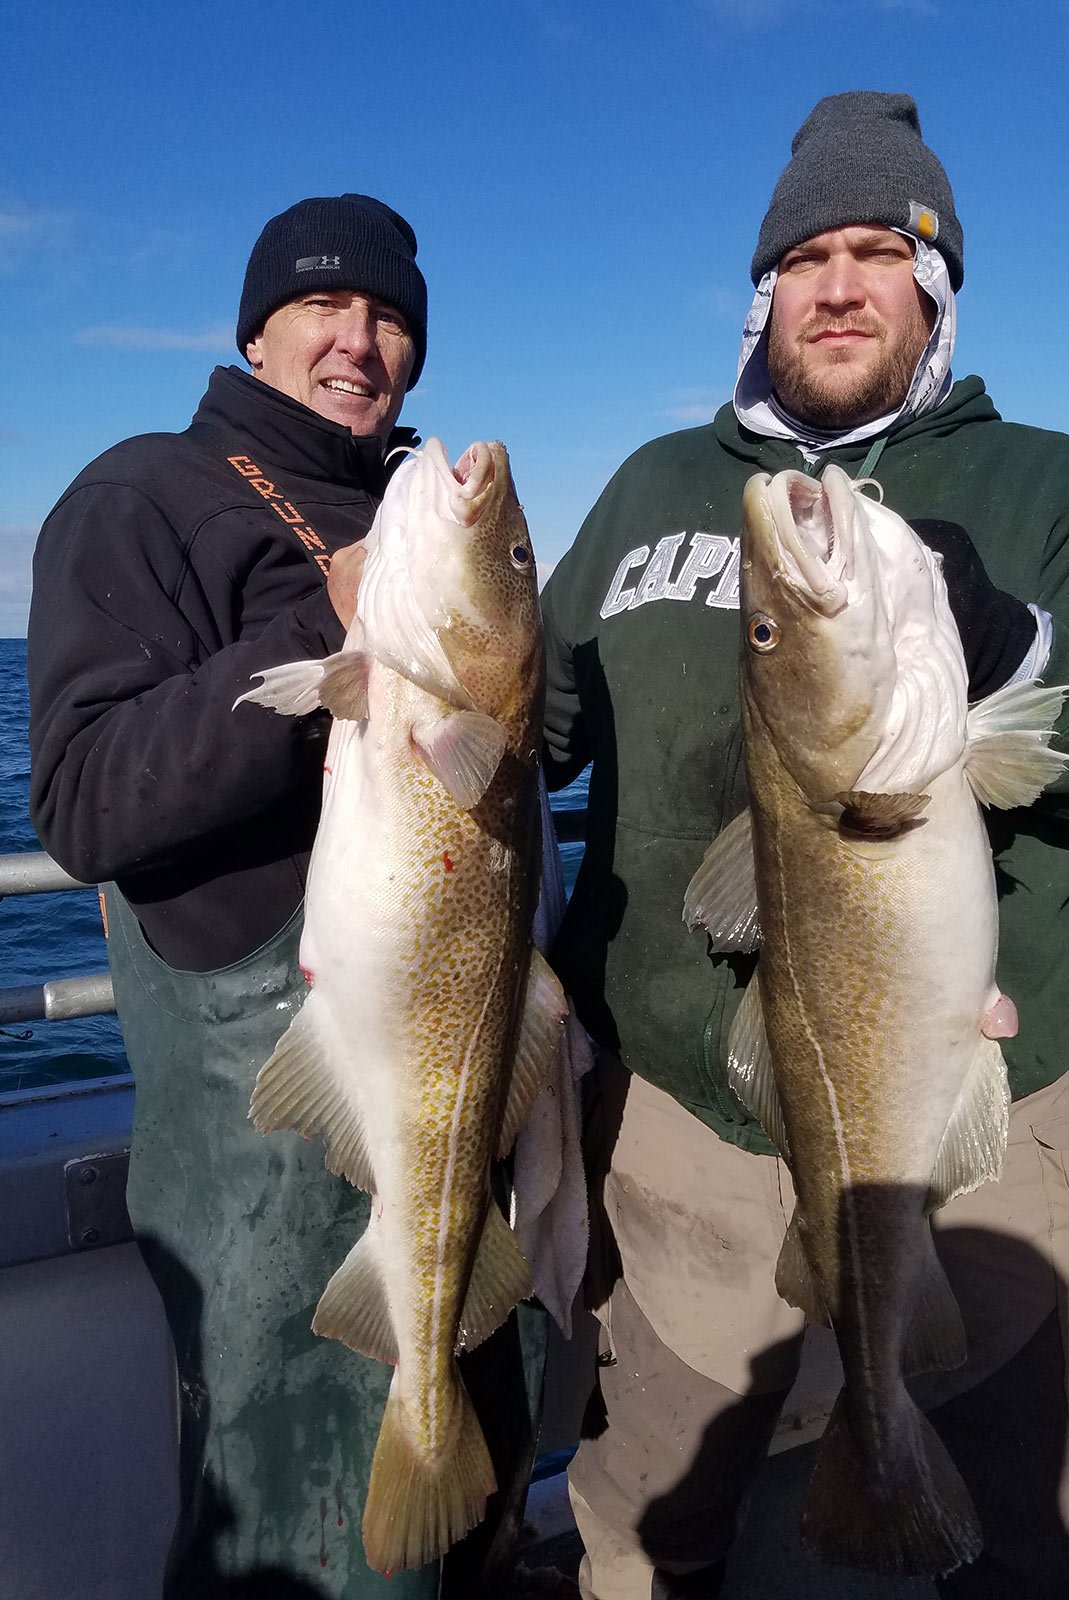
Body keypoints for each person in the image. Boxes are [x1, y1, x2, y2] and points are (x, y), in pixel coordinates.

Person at [540, 93, 1069, 1600]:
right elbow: (546, 725)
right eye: (804, 258)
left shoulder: (1058, 487)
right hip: (685, 1137)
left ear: (935, 289)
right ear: (762, 292)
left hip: (976, 1124)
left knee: (1030, 1526)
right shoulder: (648, 484)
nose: (838, 285)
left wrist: (1013, 644)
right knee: (655, 1515)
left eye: (878, 253)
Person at [27, 193, 543, 1598]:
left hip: (442, 1105)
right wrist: (329, 617)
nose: (358, 341)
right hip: (261, 1152)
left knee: (483, 1494)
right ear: (256, 328)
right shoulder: (142, 497)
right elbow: (80, 804)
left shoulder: (399, 513)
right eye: (323, 306)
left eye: (388, 319)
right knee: (288, 1530)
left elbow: (509, 740)